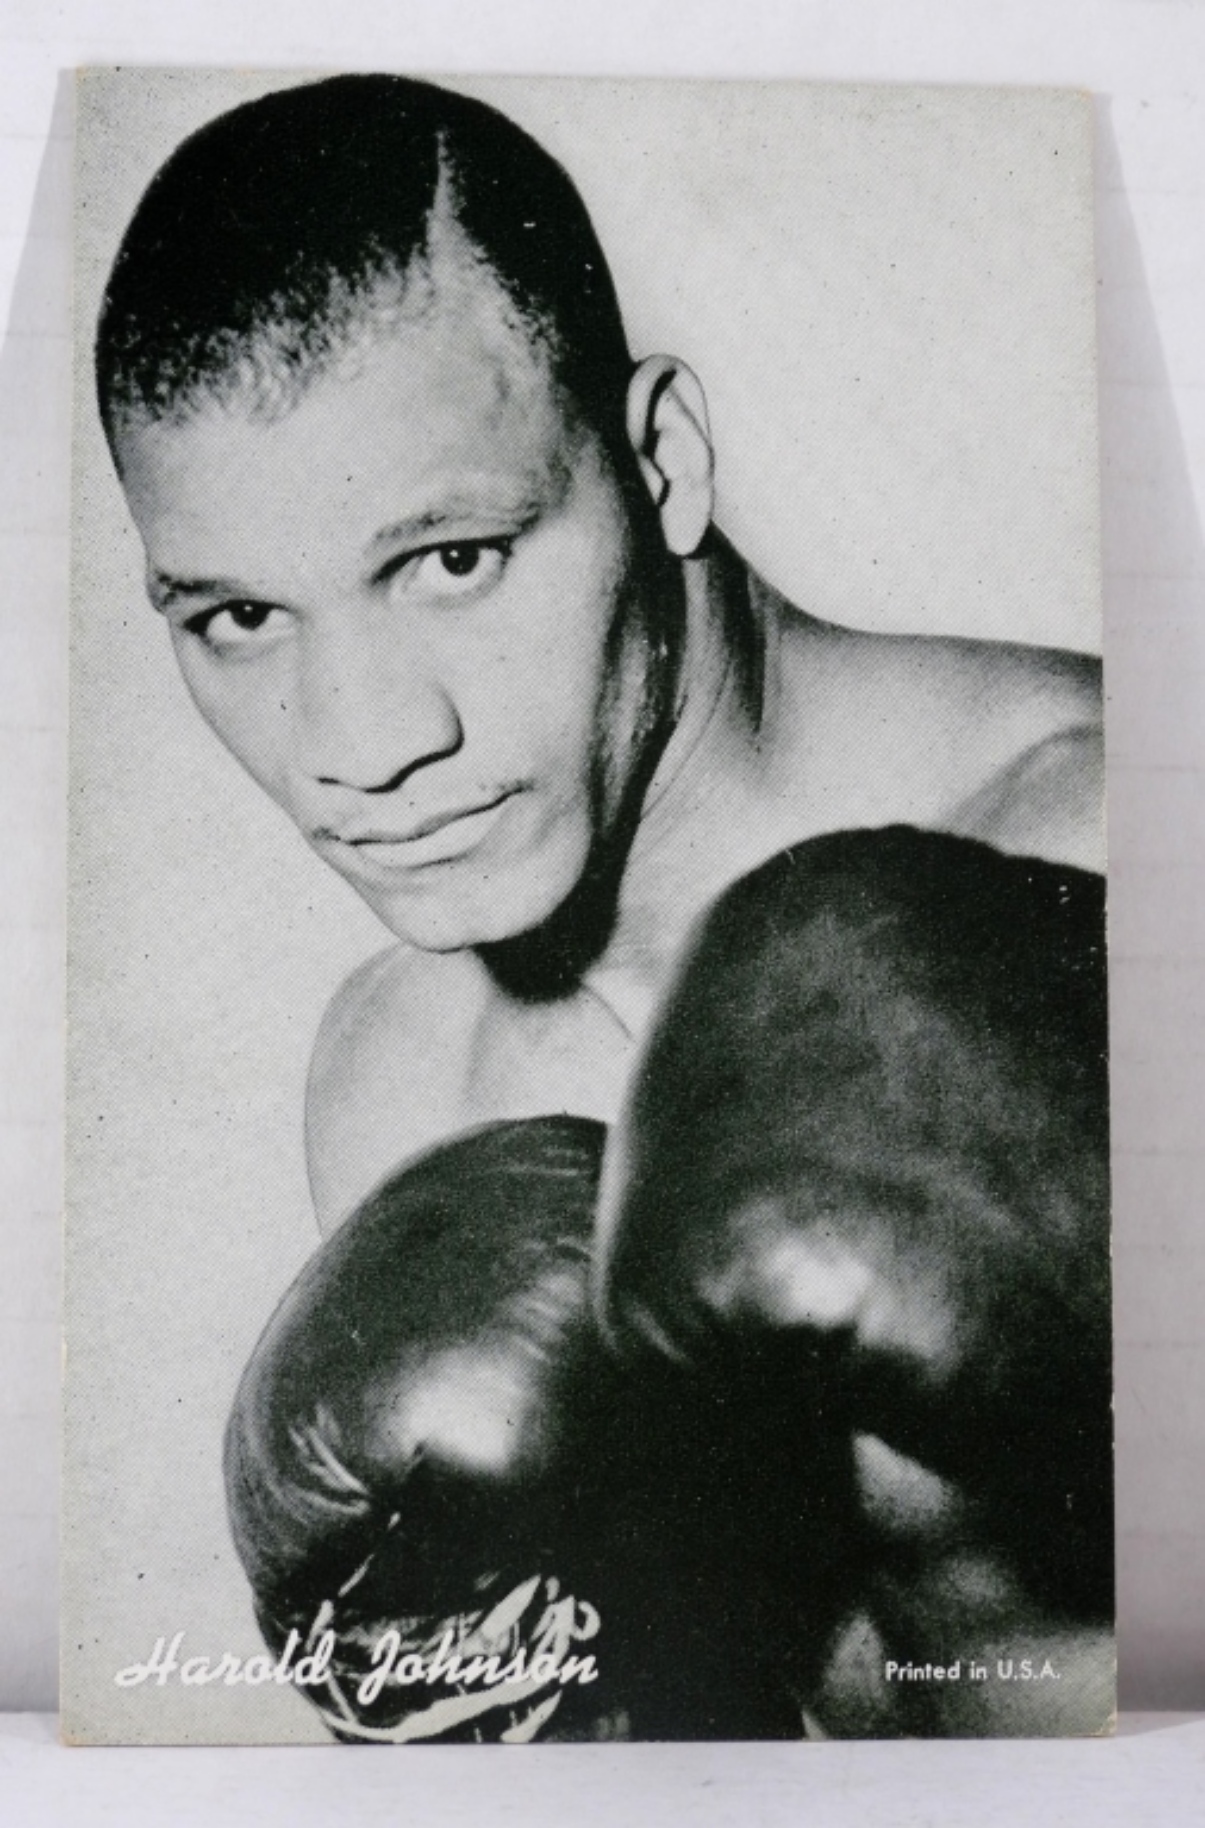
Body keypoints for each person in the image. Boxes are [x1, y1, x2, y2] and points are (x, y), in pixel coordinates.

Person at [95, 74, 1105, 1241]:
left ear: (662, 460)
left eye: (454, 559)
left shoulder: (1096, 851)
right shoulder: (399, 1085)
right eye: (239, 618)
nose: (363, 749)